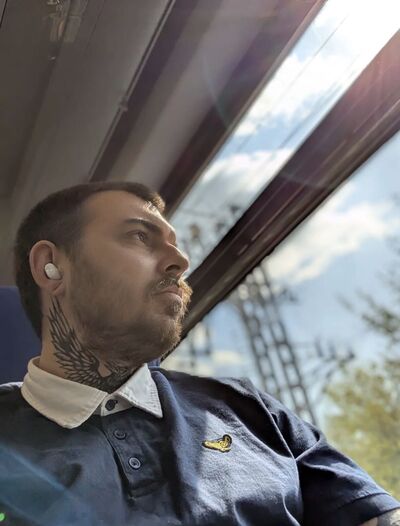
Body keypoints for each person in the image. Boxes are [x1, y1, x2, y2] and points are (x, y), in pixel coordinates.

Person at [0, 181, 399, 526]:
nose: (181, 261)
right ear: (51, 265)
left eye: (175, 244)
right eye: (139, 236)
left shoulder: (248, 408)